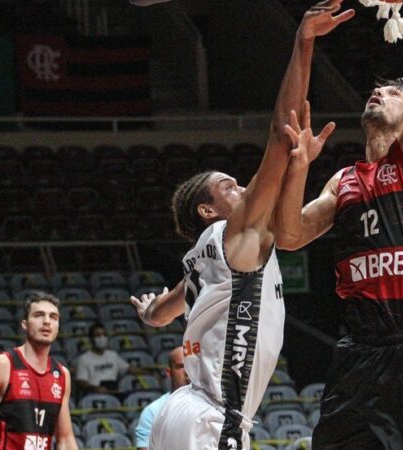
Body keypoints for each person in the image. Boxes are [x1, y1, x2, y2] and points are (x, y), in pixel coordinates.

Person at [128, 2, 350, 449]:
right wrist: (303, 43)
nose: (244, 190)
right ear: (207, 211)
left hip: (182, 410)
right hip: (214, 414)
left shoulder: (201, 259)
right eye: (229, 187)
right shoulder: (234, 237)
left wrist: (148, 311)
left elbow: (161, 314)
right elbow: (279, 134)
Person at [274, 0, 403, 447]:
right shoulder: (343, 180)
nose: (379, 92)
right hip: (358, 355)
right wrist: (299, 167)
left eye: (395, 92)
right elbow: (288, 236)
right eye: (376, 90)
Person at [0, 292, 78, 450]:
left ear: (58, 327)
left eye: (53, 317)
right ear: (25, 324)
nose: (46, 321)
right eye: (39, 315)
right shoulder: (3, 365)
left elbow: (65, 438)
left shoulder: (62, 375)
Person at [134, 346, 188, 450]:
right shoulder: (152, 412)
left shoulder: (211, 406)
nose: (187, 371)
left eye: (192, 365)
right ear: (169, 372)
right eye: (180, 366)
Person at [74, 322, 138, 395]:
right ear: (91, 338)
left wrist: (150, 373)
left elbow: (129, 369)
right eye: (98, 335)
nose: (102, 338)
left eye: (104, 335)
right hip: (94, 393)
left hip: (114, 392)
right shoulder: (84, 358)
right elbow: (81, 382)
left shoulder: (113, 355)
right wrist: (95, 388)